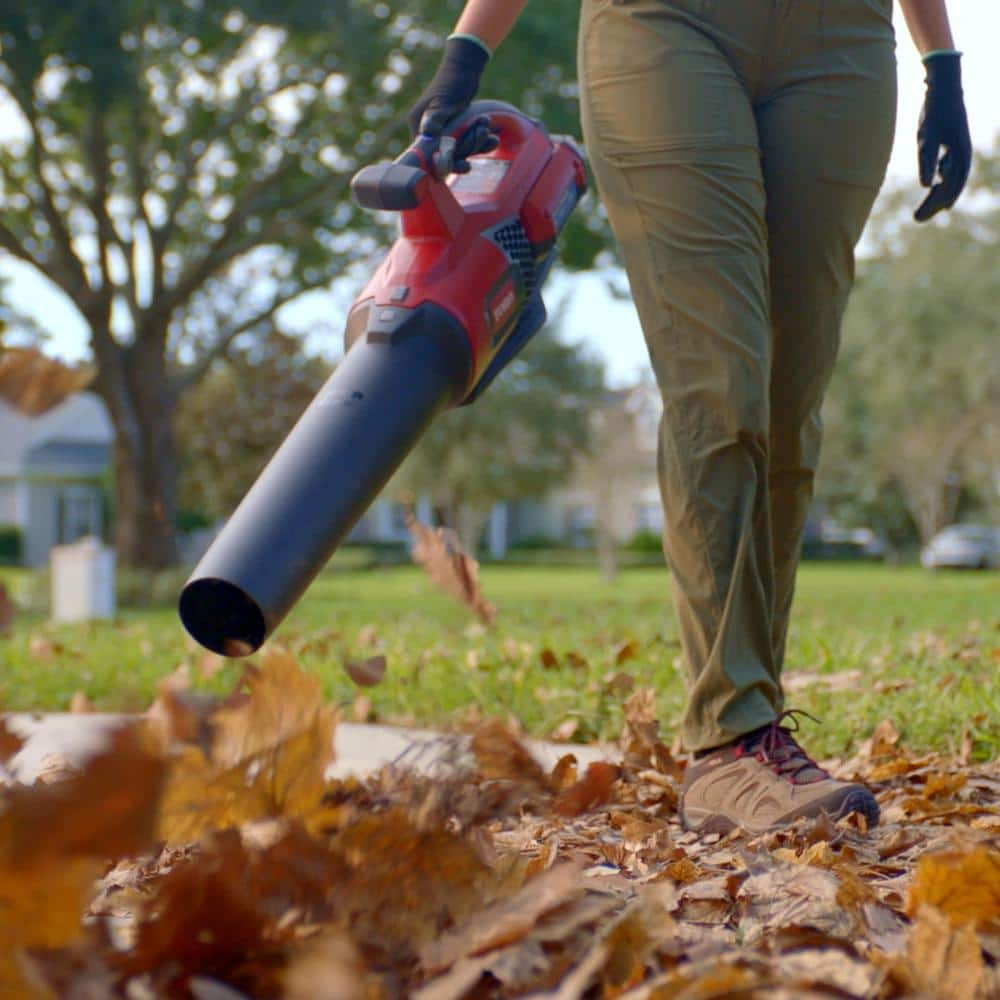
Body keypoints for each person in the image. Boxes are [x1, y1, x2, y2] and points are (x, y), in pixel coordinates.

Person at [407, 0, 971, 835]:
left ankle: (760, 731)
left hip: (843, 42)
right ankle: (728, 738)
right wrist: (465, 53)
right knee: (720, 380)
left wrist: (944, 65)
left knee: (789, 397)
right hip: (667, 25)